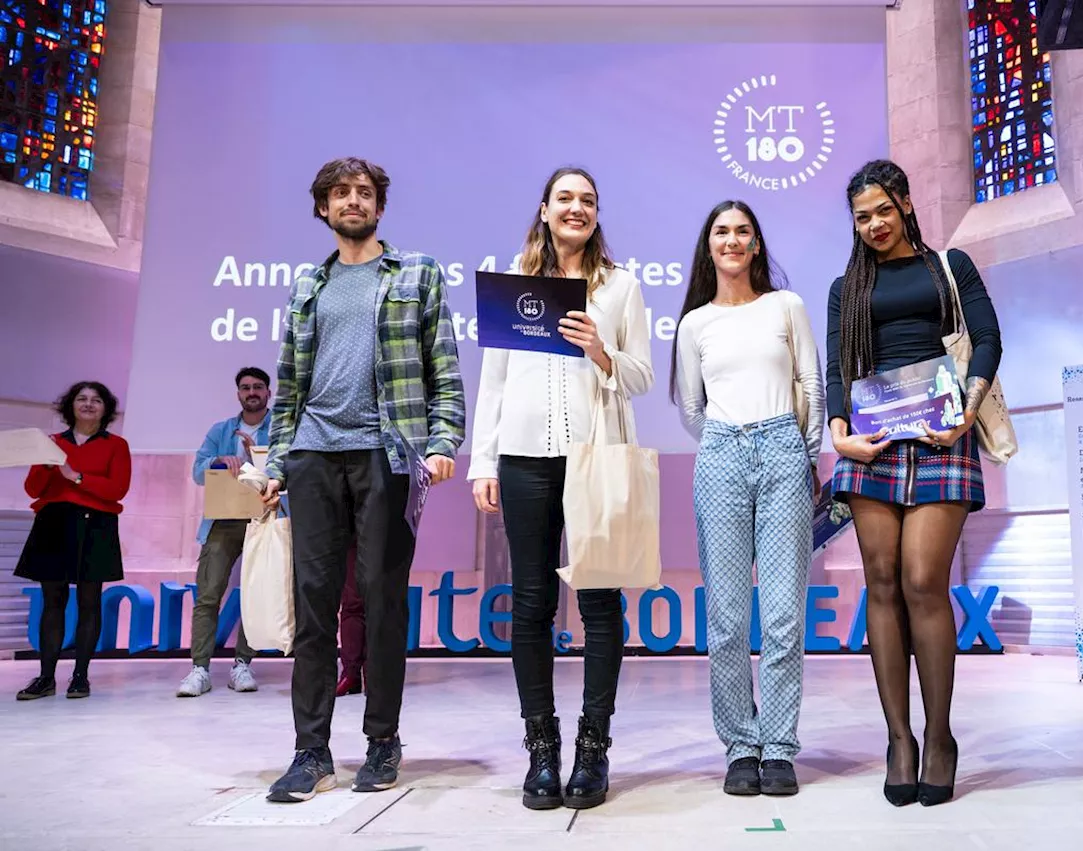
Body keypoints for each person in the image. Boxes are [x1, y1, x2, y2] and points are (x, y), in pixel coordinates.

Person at [261, 157, 465, 803]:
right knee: (315, 607)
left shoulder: (417, 273)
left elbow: (444, 367)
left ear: (380, 206)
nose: (354, 201)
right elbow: (289, 382)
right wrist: (275, 459)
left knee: (381, 603)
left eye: (365, 193)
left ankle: (382, 741)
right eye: (341, 193)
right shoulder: (307, 285)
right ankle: (310, 751)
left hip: (388, 454)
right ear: (323, 207)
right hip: (313, 457)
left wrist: (441, 441)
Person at [468, 167, 654, 811]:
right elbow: (493, 380)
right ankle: (541, 750)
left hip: (595, 456)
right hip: (523, 458)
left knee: (600, 601)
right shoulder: (514, 281)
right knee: (531, 603)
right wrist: (482, 463)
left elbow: (641, 377)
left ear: (597, 215)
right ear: (545, 209)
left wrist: (603, 352)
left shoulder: (620, 286)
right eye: (566, 199)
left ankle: (592, 749)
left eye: (589, 201)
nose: (577, 209)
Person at [826, 159, 1002, 807]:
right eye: (861, 217)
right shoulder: (846, 287)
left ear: (903, 201)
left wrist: (966, 412)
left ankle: (941, 736)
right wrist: (839, 429)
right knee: (881, 581)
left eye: (880, 210)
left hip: (939, 431)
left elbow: (986, 339)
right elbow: (836, 370)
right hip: (871, 439)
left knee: (924, 579)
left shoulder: (950, 266)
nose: (873, 224)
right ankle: (899, 738)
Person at [672, 201, 824, 797]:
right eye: (721, 232)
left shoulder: (786, 307)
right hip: (721, 456)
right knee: (729, 617)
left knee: (785, 613)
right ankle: (740, 744)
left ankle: (779, 745)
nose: (732, 241)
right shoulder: (694, 323)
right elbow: (691, 409)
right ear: (708, 247)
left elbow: (810, 384)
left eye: (742, 232)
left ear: (757, 244)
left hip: (785, 449)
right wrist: (728, 438)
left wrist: (805, 453)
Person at [15, 381, 131, 700]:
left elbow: (117, 489)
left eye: (96, 400)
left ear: (106, 409)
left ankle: (80, 676)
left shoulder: (116, 445)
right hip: (53, 523)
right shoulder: (51, 443)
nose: (89, 404)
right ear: (70, 405)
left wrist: (76, 476)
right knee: (53, 603)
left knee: (89, 602)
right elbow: (33, 489)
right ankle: (46, 677)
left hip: (96, 526)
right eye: (82, 398)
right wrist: (47, 465)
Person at [178, 366, 273, 697]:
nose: (252, 392)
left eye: (258, 387)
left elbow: (289, 469)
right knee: (208, 595)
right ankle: (199, 669)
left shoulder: (281, 428)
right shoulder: (220, 430)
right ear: (238, 394)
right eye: (246, 387)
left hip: (264, 520)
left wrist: (254, 458)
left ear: (268, 393)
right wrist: (219, 461)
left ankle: (242, 664)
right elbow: (198, 472)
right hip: (222, 519)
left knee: (254, 596)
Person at [337, 543, 365, 697]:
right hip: (348, 529)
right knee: (352, 600)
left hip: (387, 527)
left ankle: (374, 674)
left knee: (381, 605)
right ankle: (350, 673)